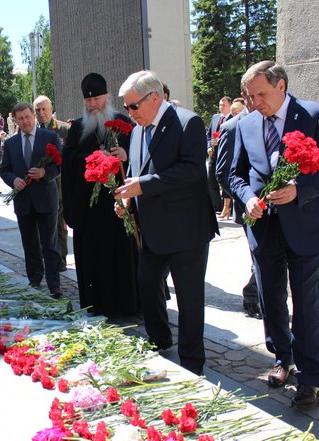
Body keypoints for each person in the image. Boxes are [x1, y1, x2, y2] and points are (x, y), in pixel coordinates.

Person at [229, 61, 319, 406]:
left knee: (306, 303)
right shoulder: (245, 123)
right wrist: (247, 197)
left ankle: (311, 377)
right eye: (249, 95)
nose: (254, 101)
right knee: (271, 298)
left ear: (281, 85)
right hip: (264, 227)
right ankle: (282, 358)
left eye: (261, 94)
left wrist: (300, 188)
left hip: (304, 226)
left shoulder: (315, 115)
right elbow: (235, 174)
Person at [114, 70, 218, 375]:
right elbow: (136, 170)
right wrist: (126, 201)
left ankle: (192, 364)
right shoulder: (136, 132)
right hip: (153, 232)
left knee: (189, 299)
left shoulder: (187, 122)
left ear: (155, 98)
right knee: (146, 285)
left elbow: (191, 170)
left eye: (133, 106)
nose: (130, 113)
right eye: (126, 108)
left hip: (187, 230)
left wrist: (142, 185)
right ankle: (159, 342)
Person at [62, 73, 139, 317]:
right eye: (89, 100)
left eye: (97, 98)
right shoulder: (77, 128)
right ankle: (97, 304)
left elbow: (140, 159)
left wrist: (125, 156)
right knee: (94, 258)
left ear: (106, 96)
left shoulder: (124, 123)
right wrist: (92, 160)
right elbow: (68, 161)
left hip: (118, 205)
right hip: (89, 209)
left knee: (121, 257)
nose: (93, 104)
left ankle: (127, 306)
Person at [0, 102, 63, 299]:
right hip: (24, 201)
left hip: (46, 200)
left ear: (33, 117)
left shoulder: (50, 137)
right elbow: (4, 169)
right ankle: (34, 280)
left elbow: (60, 165)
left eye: (27, 117)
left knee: (50, 244)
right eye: (20, 118)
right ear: (15, 121)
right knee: (30, 244)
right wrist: (13, 180)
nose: (25, 121)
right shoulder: (10, 143)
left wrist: (44, 172)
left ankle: (55, 286)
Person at [215, 88, 262, 319]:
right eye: (255, 95)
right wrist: (246, 198)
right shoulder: (232, 127)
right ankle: (254, 295)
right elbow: (222, 172)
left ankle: (258, 295)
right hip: (249, 207)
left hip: (276, 204)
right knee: (261, 254)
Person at [34, 95, 71, 272]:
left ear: (51, 109)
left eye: (44, 109)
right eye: (38, 110)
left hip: (61, 186)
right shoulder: (30, 131)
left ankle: (60, 258)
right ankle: (45, 257)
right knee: (42, 226)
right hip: (39, 187)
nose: (41, 113)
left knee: (58, 225)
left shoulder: (64, 129)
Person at [207, 97, 232, 213]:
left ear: (230, 106)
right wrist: (209, 146)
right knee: (211, 177)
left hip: (226, 153)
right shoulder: (215, 118)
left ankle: (226, 206)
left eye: (224, 105)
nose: (221, 107)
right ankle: (216, 205)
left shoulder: (233, 119)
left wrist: (220, 141)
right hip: (214, 152)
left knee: (223, 176)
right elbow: (208, 134)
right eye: (220, 105)